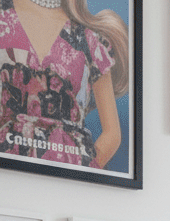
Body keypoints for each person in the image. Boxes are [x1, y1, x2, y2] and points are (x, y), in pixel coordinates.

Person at [0, 0, 129, 169]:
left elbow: (112, 135)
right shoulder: (3, 18)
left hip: (68, 175)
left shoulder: (90, 38)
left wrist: (83, 171)